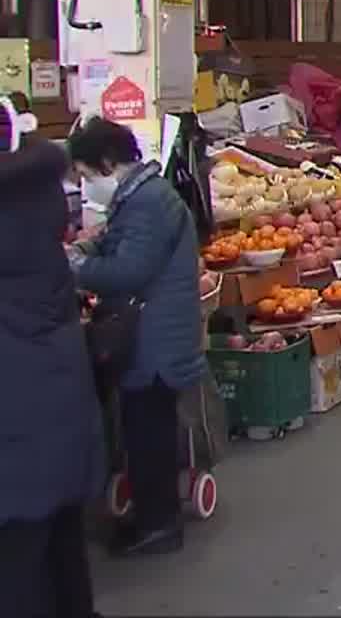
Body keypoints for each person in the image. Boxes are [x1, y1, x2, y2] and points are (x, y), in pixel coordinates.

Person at [67, 116, 206, 557]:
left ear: (108, 164)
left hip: (154, 341)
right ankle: (151, 516)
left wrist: (75, 268)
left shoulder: (146, 202)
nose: (87, 186)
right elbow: (119, 246)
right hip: (158, 334)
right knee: (148, 430)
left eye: (88, 176)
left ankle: (158, 525)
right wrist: (86, 249)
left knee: (149, 434)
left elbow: (129, 270)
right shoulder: (143, 196)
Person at [1, 102, 103, 611]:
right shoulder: (46, 269)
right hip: (59, 449)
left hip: (14, 469)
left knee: (21, 578)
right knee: (63, 559)